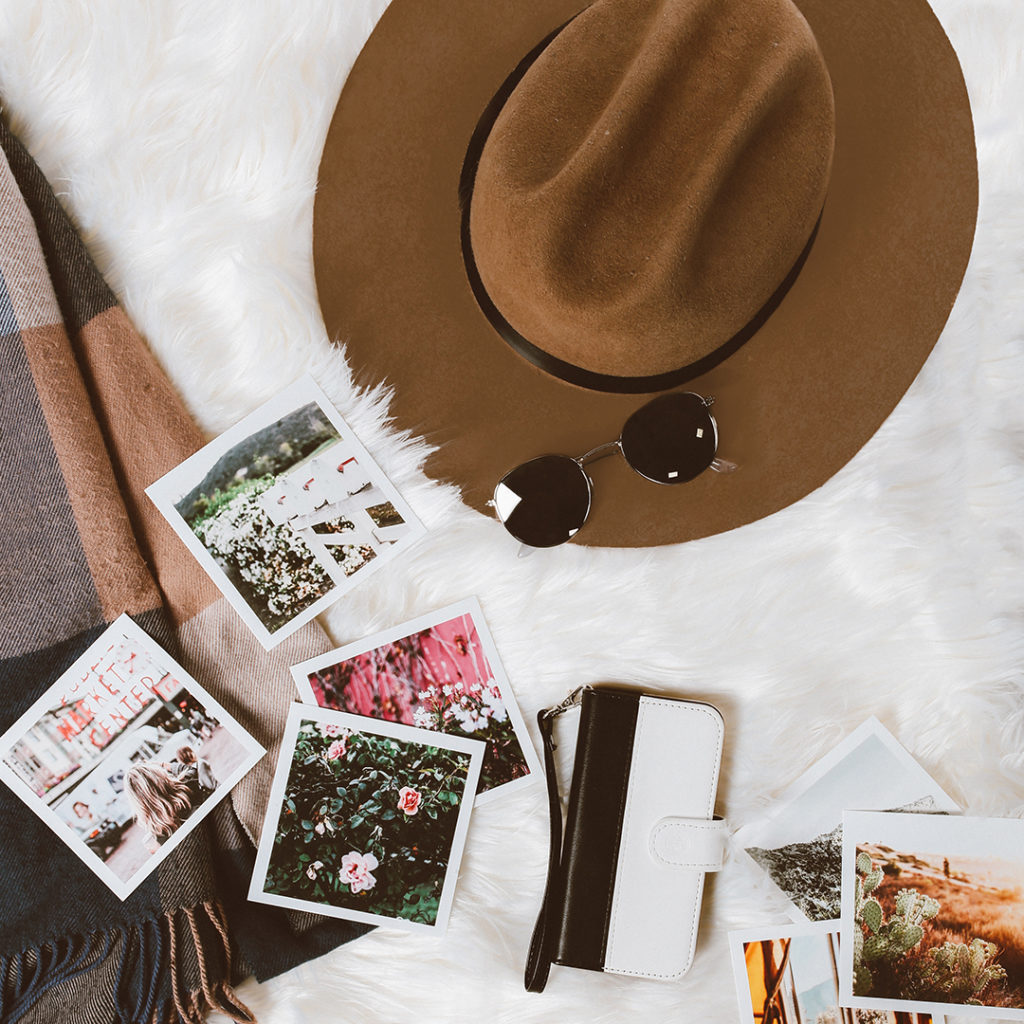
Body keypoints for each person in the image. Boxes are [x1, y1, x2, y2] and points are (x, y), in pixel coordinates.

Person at [124, 762, 197, 849]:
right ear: (158, 776)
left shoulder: (160, 832)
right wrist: (164, 764)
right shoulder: (187, 788)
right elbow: (192, 770)